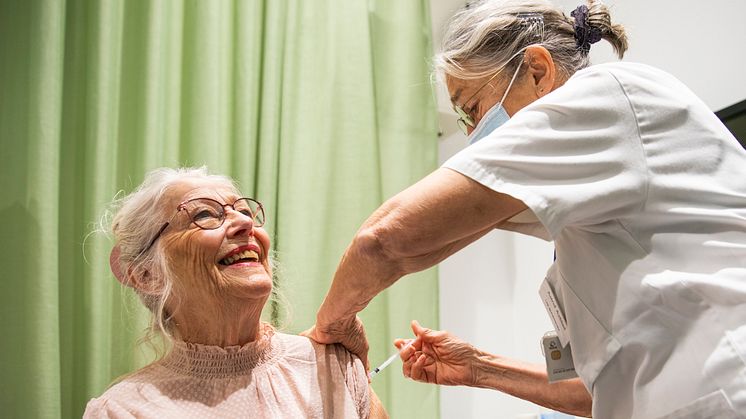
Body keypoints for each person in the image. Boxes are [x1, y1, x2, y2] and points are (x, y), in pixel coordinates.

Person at [307, 0, 746, 418]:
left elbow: (387, 240)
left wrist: (329, 327)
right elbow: (599, 392)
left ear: (537, 70)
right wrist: (480, 366)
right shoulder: (588, 206)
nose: (476, 133)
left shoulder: (609, 95)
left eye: (474, 109)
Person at [84, 167, 387, 419]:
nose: (244, 222)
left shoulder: (333, 368)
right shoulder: (122, 411)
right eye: (203, 215)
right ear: (147, 275)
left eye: (244, 211)